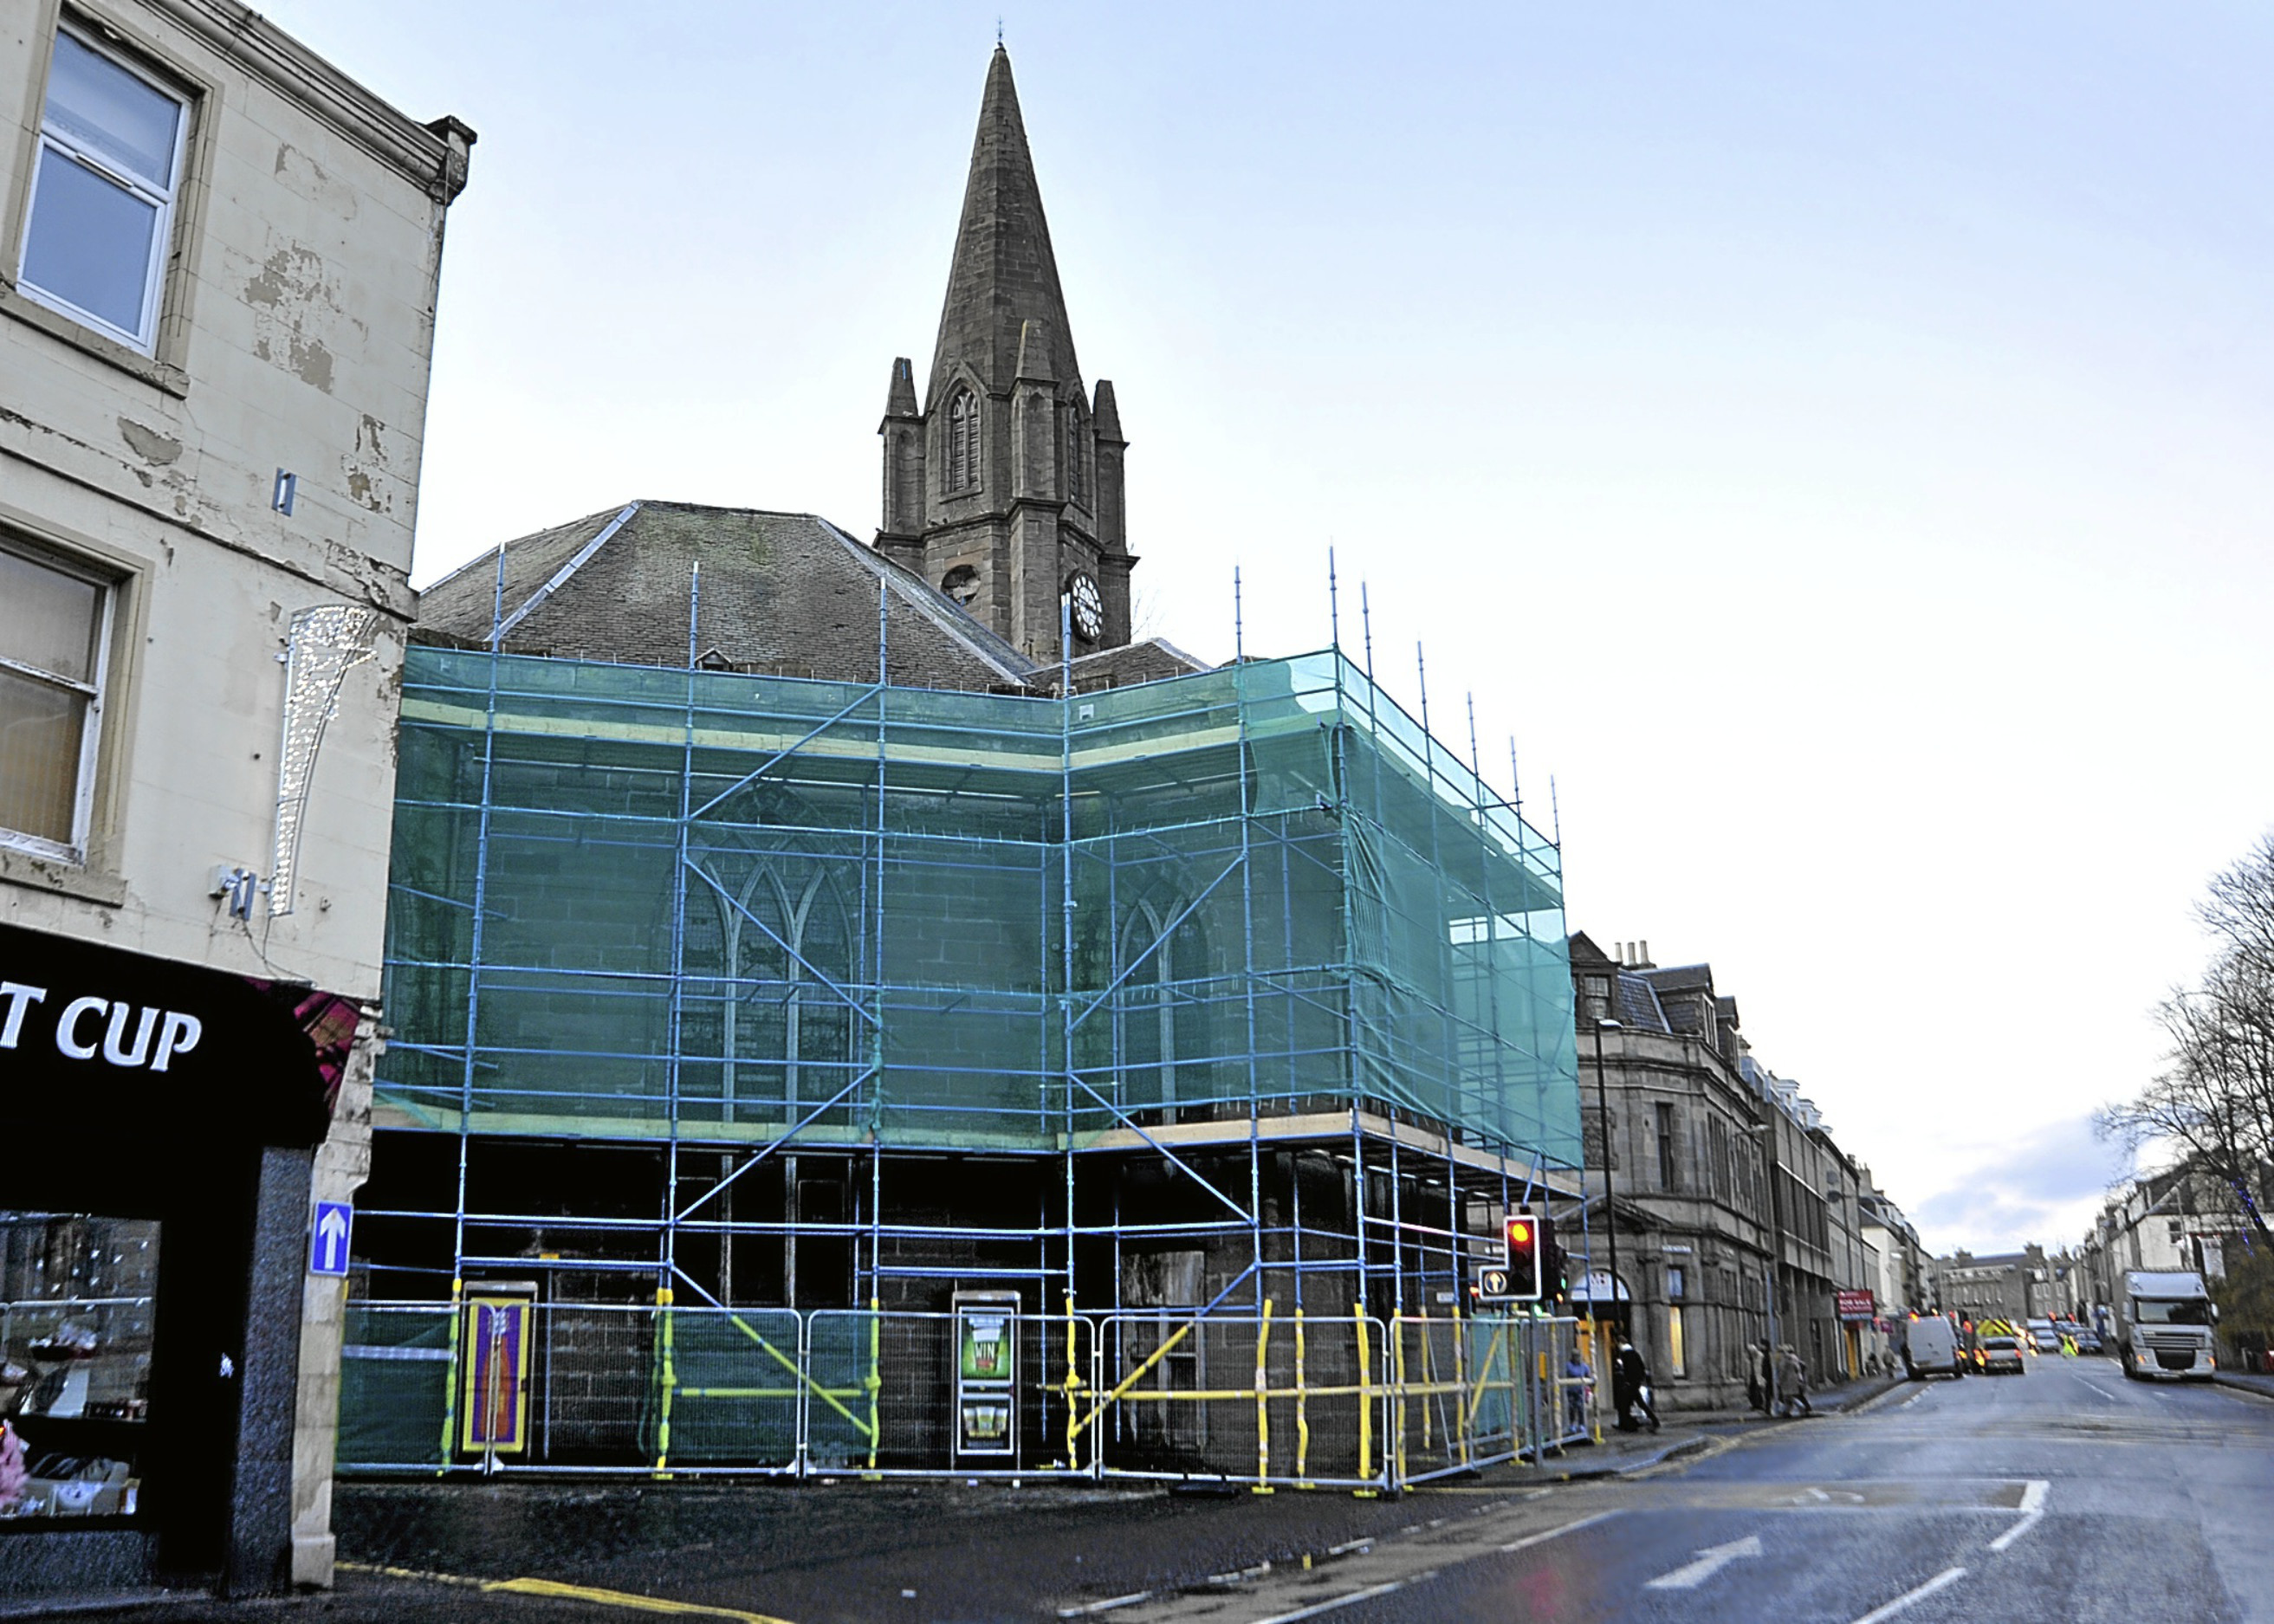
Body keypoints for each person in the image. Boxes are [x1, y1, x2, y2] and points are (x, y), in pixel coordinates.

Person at [1612, 1335, 1660, 1433]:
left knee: (1624, 1404)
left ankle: (1629, 1424)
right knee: (1637, 1403)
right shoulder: (1634, 1353)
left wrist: (1628, 1381)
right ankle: (1651, 1421)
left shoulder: (1626, 1355)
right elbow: (1641, 1367)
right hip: (1635, 1383)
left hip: (1631, 1383)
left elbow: (1629, 1370)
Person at [1774, 1343, 1811, 1417]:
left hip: (1787, 1381)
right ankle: (1786, 1411)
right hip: (1794, 1380)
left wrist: (1779, 1381)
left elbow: (1783, 1371)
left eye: (1779, 1352)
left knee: (1788, 1397)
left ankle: (1801, 1407)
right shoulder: (1793, 1358)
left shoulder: (1784, 1359)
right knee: (1787, 1398)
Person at [1563, 1349, 1594, 1436]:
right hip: (1571, 1390)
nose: (1577, 1358)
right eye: (1575, 1356)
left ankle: (1581, 1424)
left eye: (1578, 1356)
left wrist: (1591, 1381)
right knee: (1572, 1408)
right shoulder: (1568, 1365)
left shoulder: (1583, 1366)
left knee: (1581, 1408)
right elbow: (1568, 1374)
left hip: (1580, 1390)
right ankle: (1572, 1424)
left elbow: (1588, 1375)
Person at [1747, 1340, 1773, 1414]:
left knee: (1765, 1393)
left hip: (1764, 1377)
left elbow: (1764, 1367)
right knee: (1761, 1392)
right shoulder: (1758, 1356)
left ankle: (1766, 1407)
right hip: (1759, 1376)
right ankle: (1762, 1406)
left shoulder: (1762, 1355)